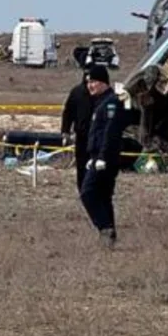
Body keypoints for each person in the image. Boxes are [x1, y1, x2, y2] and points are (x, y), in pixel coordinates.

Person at [79, 66, 127, 249]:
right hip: (98, 157)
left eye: (93, 82)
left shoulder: (111, 103)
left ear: (104, 82)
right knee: (103, 196)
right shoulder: (101, 102)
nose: (90, 86)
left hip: (105, 160)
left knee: (88, 193)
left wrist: (102, 157)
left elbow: (110, 133)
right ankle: (110, 237)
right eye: (88, 82)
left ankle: (105, 228)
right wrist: (93, 156)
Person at [60, 71, 95, 190]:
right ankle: (83, 189)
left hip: (97, 136)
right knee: (81, 165)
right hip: (81, 135)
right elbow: (68, 112)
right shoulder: (77, 92)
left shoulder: (101, 93)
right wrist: (65, 131)